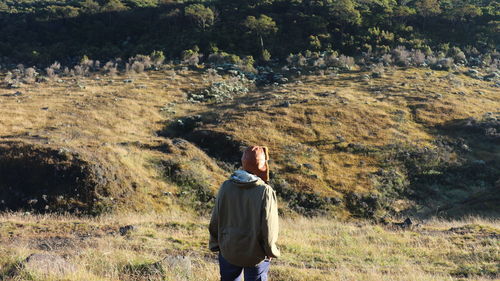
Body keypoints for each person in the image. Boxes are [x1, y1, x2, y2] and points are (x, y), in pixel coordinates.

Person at [209, 146, 280, 281]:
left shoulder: (226, 186)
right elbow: (269, 225)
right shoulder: (265, 191)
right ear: (262, 165)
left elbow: (216, 218)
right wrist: (270, 251)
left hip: (228, 249)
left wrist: (215, 243)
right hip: (256, 253)